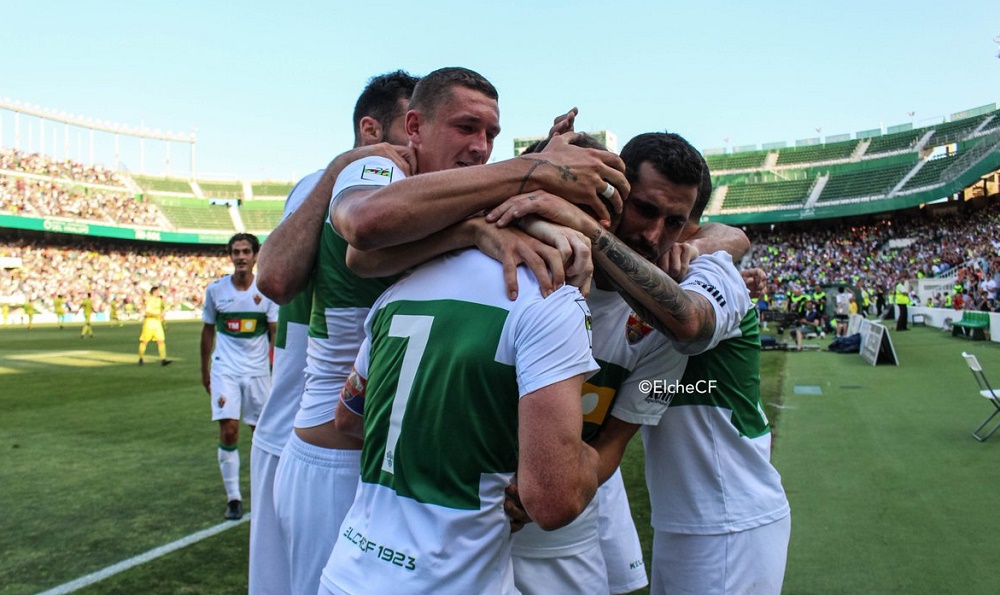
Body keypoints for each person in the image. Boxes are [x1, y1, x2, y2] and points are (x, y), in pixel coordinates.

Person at [324, 67, 601, 595]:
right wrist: (616, 438)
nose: (481, 148)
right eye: (466, 128)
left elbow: (350, 416)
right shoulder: (383, 164)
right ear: (413, 126)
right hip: (456, 561)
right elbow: (361, 237)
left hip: (355, 562)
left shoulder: (399, 291)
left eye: (492, 136)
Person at [491, 136, 787, 595]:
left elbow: (686, 323)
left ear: (691, 227)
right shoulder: (542, 266)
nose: (653, 234)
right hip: (681, 511)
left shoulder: (711, 272)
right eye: (645, 210)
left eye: (675, 222)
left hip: (731, 512)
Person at [249, 69, 419, 595]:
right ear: (370, 132)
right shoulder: (329, 184)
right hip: (305, 433)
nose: (418, 144)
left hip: (336, 431)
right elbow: (275, 279)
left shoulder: (395, 193)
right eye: (408, 130)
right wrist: (339, 168)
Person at [200, 233, 278, 521]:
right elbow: (207, 330)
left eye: (246, 251)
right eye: (236, 252)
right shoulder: (216, 290)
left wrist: (277, 369)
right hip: (225, 370)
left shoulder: (266, 290)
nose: (241, 256)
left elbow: (274, 333)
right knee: (229, 429)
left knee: (261, 433)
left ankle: (265, 492)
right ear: (230, 256)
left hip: (258, 371)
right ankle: (234, 497)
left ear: (255, 255)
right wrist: (204, 368)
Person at [138, 286, 171, 365]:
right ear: (153, 292)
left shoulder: (160, 301)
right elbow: (147, 313)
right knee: (144, 341)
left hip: (157, 323)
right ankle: (141, 359)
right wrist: (157, 314)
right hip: (149, 323)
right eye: (157, 291)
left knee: (161, 341)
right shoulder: (149, 300)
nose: (159, 292)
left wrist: (164, 324)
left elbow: (162, 313)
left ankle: (163, 359)